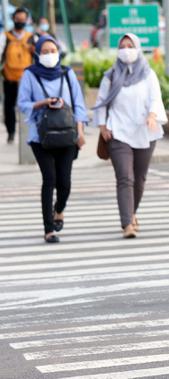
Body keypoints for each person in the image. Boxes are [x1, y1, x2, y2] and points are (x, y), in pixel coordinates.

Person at [93, 33, 168, 239]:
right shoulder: (110, 76)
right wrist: (102, 127)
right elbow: (101, 102)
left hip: (145, 131)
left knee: (139, 179)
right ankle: (127, 223)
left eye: (130, 45)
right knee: (125, 177)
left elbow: (156, 98)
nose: (126, 49)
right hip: (118, 131)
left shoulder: (148, 74)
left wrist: (153, 115)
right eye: (122, 46)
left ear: (138, 48)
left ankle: (132, 212)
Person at [17, 35, 87, 243]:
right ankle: (49, 229)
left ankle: (59, 210)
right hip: (41, 137)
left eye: (53, 51)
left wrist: (81, 132)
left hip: (67, 135)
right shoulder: (30, 74)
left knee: (64, 182)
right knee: (49, 180)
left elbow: (79, 105)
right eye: (45, 51)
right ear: (38, 54)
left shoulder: (67, 73)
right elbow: (23, 104)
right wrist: (43, 103)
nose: (49, 55)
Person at [1, 7, 34, 143]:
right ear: (13, 19)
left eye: (22, 19)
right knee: (9, 107)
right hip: (9, 78)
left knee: (28, 107)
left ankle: (28, 134)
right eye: (18, 19)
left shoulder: (31, 38)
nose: (20, 21)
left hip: (26, 79)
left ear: (26, 20)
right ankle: (11, 133)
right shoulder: (5, 37)